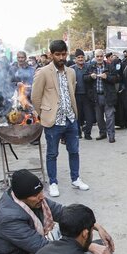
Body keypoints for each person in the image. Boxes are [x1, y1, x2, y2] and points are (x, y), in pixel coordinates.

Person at [0, 170, 113, 254]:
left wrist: (95, 225)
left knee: (72, 238)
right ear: (22, 198)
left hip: (23, 253)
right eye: (35, 196)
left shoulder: (35, 199)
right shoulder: (8, 219)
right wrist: (89, 246)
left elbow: (63, 213)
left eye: (41, 192)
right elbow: (44, 248)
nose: (42, 197)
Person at [31, 40, 90, 198]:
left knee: (74, 151)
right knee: (52, 153)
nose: (61, 57)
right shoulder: (43, 72)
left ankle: (76, 178)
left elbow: (71, 92)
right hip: (53, 121)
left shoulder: (70, 72)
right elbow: (35, 97)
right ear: (51, 55)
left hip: (70, 119)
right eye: (57, 54)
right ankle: (53, 183)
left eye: (64, 54)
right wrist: (44, 114)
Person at [85, 49, 119, 143]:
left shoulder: (109, 65)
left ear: (103, 56)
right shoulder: (90, 66)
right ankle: (102, 133)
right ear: (94, 57)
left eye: (101, 56)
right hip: (96, 96)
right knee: (99, 117)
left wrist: (107, 77)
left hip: (108, 95)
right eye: (97, 56)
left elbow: (116, 78)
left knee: (110, 116)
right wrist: (90, 77)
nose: (99, 58)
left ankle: (111, 135)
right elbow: (85, 78)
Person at [72, 49, 92, 139]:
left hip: (87, 96)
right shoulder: (72, 69)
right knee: (77, 116)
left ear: (84, 58)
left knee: (89, 117)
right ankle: (78, 133)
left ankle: (87, 134)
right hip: (76, 96)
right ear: (75, 59)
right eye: (78, 57)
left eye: (82, 57)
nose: (80, 59)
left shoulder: (89, 67)